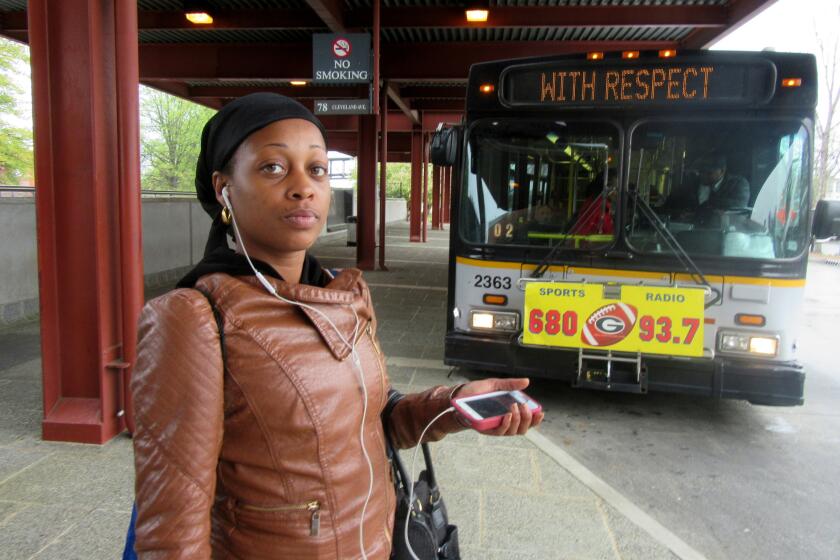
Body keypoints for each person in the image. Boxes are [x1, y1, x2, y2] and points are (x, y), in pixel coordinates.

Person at [130, 93, 543, 559]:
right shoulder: (193, 318)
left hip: (381, 543)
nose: (303, 187)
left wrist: (453, 406)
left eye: (318, 169)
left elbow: (377, 423)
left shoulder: (340, 293)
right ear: (224, 187)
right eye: (273, 167)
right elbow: (171, 534)